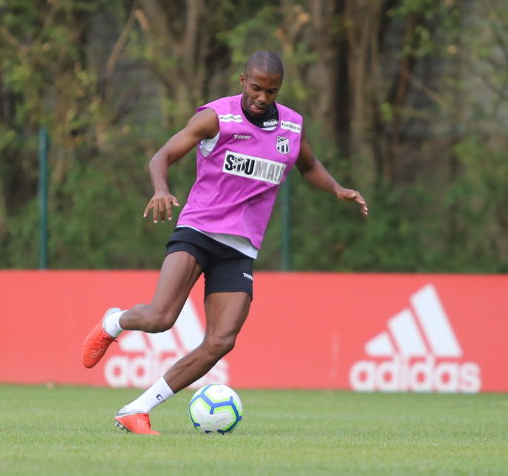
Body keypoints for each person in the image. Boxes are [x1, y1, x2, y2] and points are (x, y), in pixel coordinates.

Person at [81, 51, 368, 435]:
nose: (262, 97)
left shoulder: (292, 128)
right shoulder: (217, 117)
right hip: (199, 230)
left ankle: (136, 410)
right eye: (255, 88)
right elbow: (161, 156)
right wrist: (161, 190)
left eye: (271, 91)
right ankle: (113, 321)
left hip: (241, 247)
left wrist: (337, 189)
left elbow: (308, 165)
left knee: (221, 341)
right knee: (160, 318)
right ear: (242, 82)